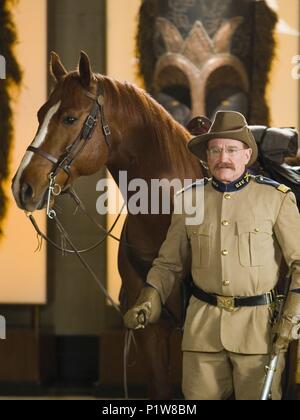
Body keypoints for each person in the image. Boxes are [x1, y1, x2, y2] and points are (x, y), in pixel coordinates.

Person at [124, 111, 300, 400]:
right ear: (206, 155)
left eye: (232, 150)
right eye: (216, 150)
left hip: (258, 334)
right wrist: (149, 297)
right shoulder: (188, 200)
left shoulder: (276, 198)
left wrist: (291, 318)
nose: (223, 158)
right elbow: (169, 263)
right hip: (201, 333)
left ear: (247, 155)